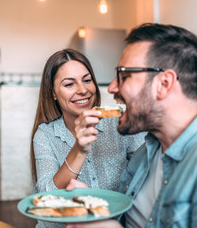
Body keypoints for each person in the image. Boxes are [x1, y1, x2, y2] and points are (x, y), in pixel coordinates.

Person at [65, 23, 197, 228]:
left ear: (164, 84)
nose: (112, 87)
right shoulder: (148, 150)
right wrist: (95, 209)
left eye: (123, 76)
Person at [30, 49, 146, 228]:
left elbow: (147, 171)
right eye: (69, 84)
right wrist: (79, 149)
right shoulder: (45, 135)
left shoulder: (120, 123)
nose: (83, 90)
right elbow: (47, 198)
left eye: (87, 80)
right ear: (53, 93)